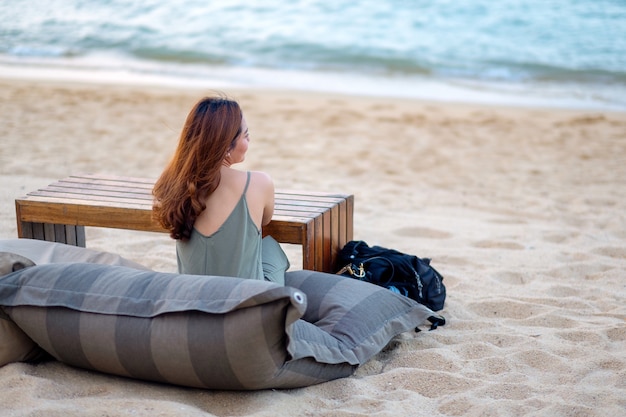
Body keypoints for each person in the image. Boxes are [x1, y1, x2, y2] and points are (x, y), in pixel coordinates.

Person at [152, 95, 288, 284]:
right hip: (246, 304)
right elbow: (265, 220)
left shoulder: (176, 185)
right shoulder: (259, 182)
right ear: (226, 146)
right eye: (246, 135)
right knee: (271, 249)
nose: (249, 141)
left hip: (189, 299)